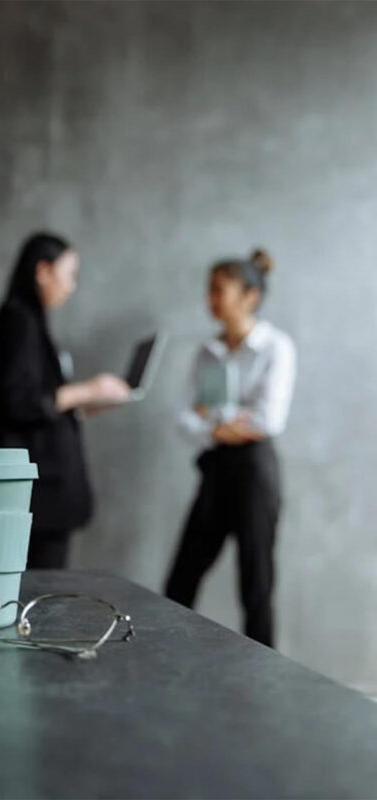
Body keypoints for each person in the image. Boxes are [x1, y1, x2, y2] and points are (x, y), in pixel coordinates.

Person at [165, 249, 296, 647]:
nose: (210, 299)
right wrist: (226, 424)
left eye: (219, 290)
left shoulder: (276, 347)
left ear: (249, 296)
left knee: (256, 586)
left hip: (255, 473)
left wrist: (212, 419)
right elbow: (183, 419)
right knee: (180, 579)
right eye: (209, 290)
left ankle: (264, 686)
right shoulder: (207, 352)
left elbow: (268, 420)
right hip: (216, 469)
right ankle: (162, 663)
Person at [0, 232, 131, 569]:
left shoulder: (31, 322)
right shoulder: (18, 318)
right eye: (70, 274)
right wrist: (90, 389)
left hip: (44, 495)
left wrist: (84, 406)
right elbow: (21, 401)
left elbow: (42, 404)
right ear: (43, 271)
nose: (71, 286)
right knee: (39, 590)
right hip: (36, 495)